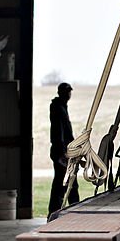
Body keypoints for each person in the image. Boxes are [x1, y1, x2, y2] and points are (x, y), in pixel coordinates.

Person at [49, 81, 79, 217]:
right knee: (64, 183)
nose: (69, 94)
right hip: (62, 151)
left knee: (65, 182)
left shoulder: (61, 107)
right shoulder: (58, 108)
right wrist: (63, 153)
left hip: (63, 150)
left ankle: (71, 208)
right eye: (67, 92)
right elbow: (59, 132)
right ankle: (67, 209)